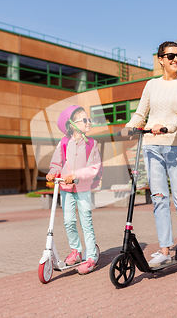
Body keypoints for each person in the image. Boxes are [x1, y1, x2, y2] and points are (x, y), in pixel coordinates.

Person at [122, 41, 177, 275]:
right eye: (171, 56)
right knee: (159, 199)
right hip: (152, 147)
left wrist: (165, 126)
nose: (176, 59)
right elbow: (140, 113)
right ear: (161, 60)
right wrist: (129, 127)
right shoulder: (151, 85)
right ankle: (165, 250)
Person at [47, 105, 102, 275]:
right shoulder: (64, 143)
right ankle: (76, 250)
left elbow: (94, 167)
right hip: (66, 188)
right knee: (69, 221)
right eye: (84, 120)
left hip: (83, 188)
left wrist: (76, 175)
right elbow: (57, 161)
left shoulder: (91, 144)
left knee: (86, 222)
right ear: (72, 124)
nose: (88, 122)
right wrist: (52, 172)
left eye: (89, 120)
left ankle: (91, 256)